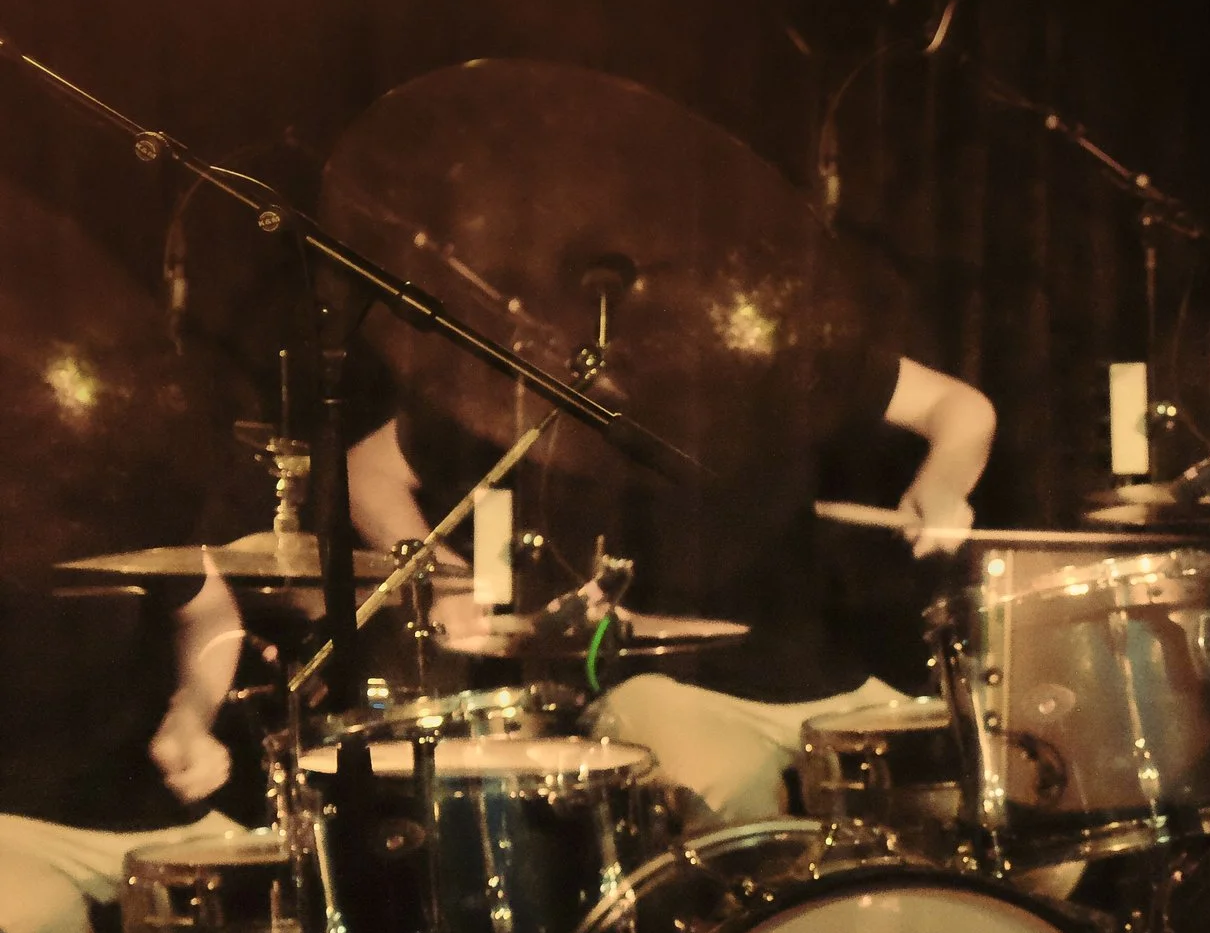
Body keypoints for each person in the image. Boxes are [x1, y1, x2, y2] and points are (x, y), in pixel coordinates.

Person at [344, 347, 994, 831]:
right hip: (655, 683)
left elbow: (961, 407)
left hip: (824, 679)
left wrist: (943, 481)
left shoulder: (783, 348)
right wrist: (447, 579)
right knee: (735, 804)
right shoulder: (539, 370)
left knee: (974, 794)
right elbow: (366, 469)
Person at [0, 565, 245, 933]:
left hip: (160, 813)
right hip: (14, 827)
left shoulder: (141, 523)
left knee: (287, 909)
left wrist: (193, 712)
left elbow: (209, 610)